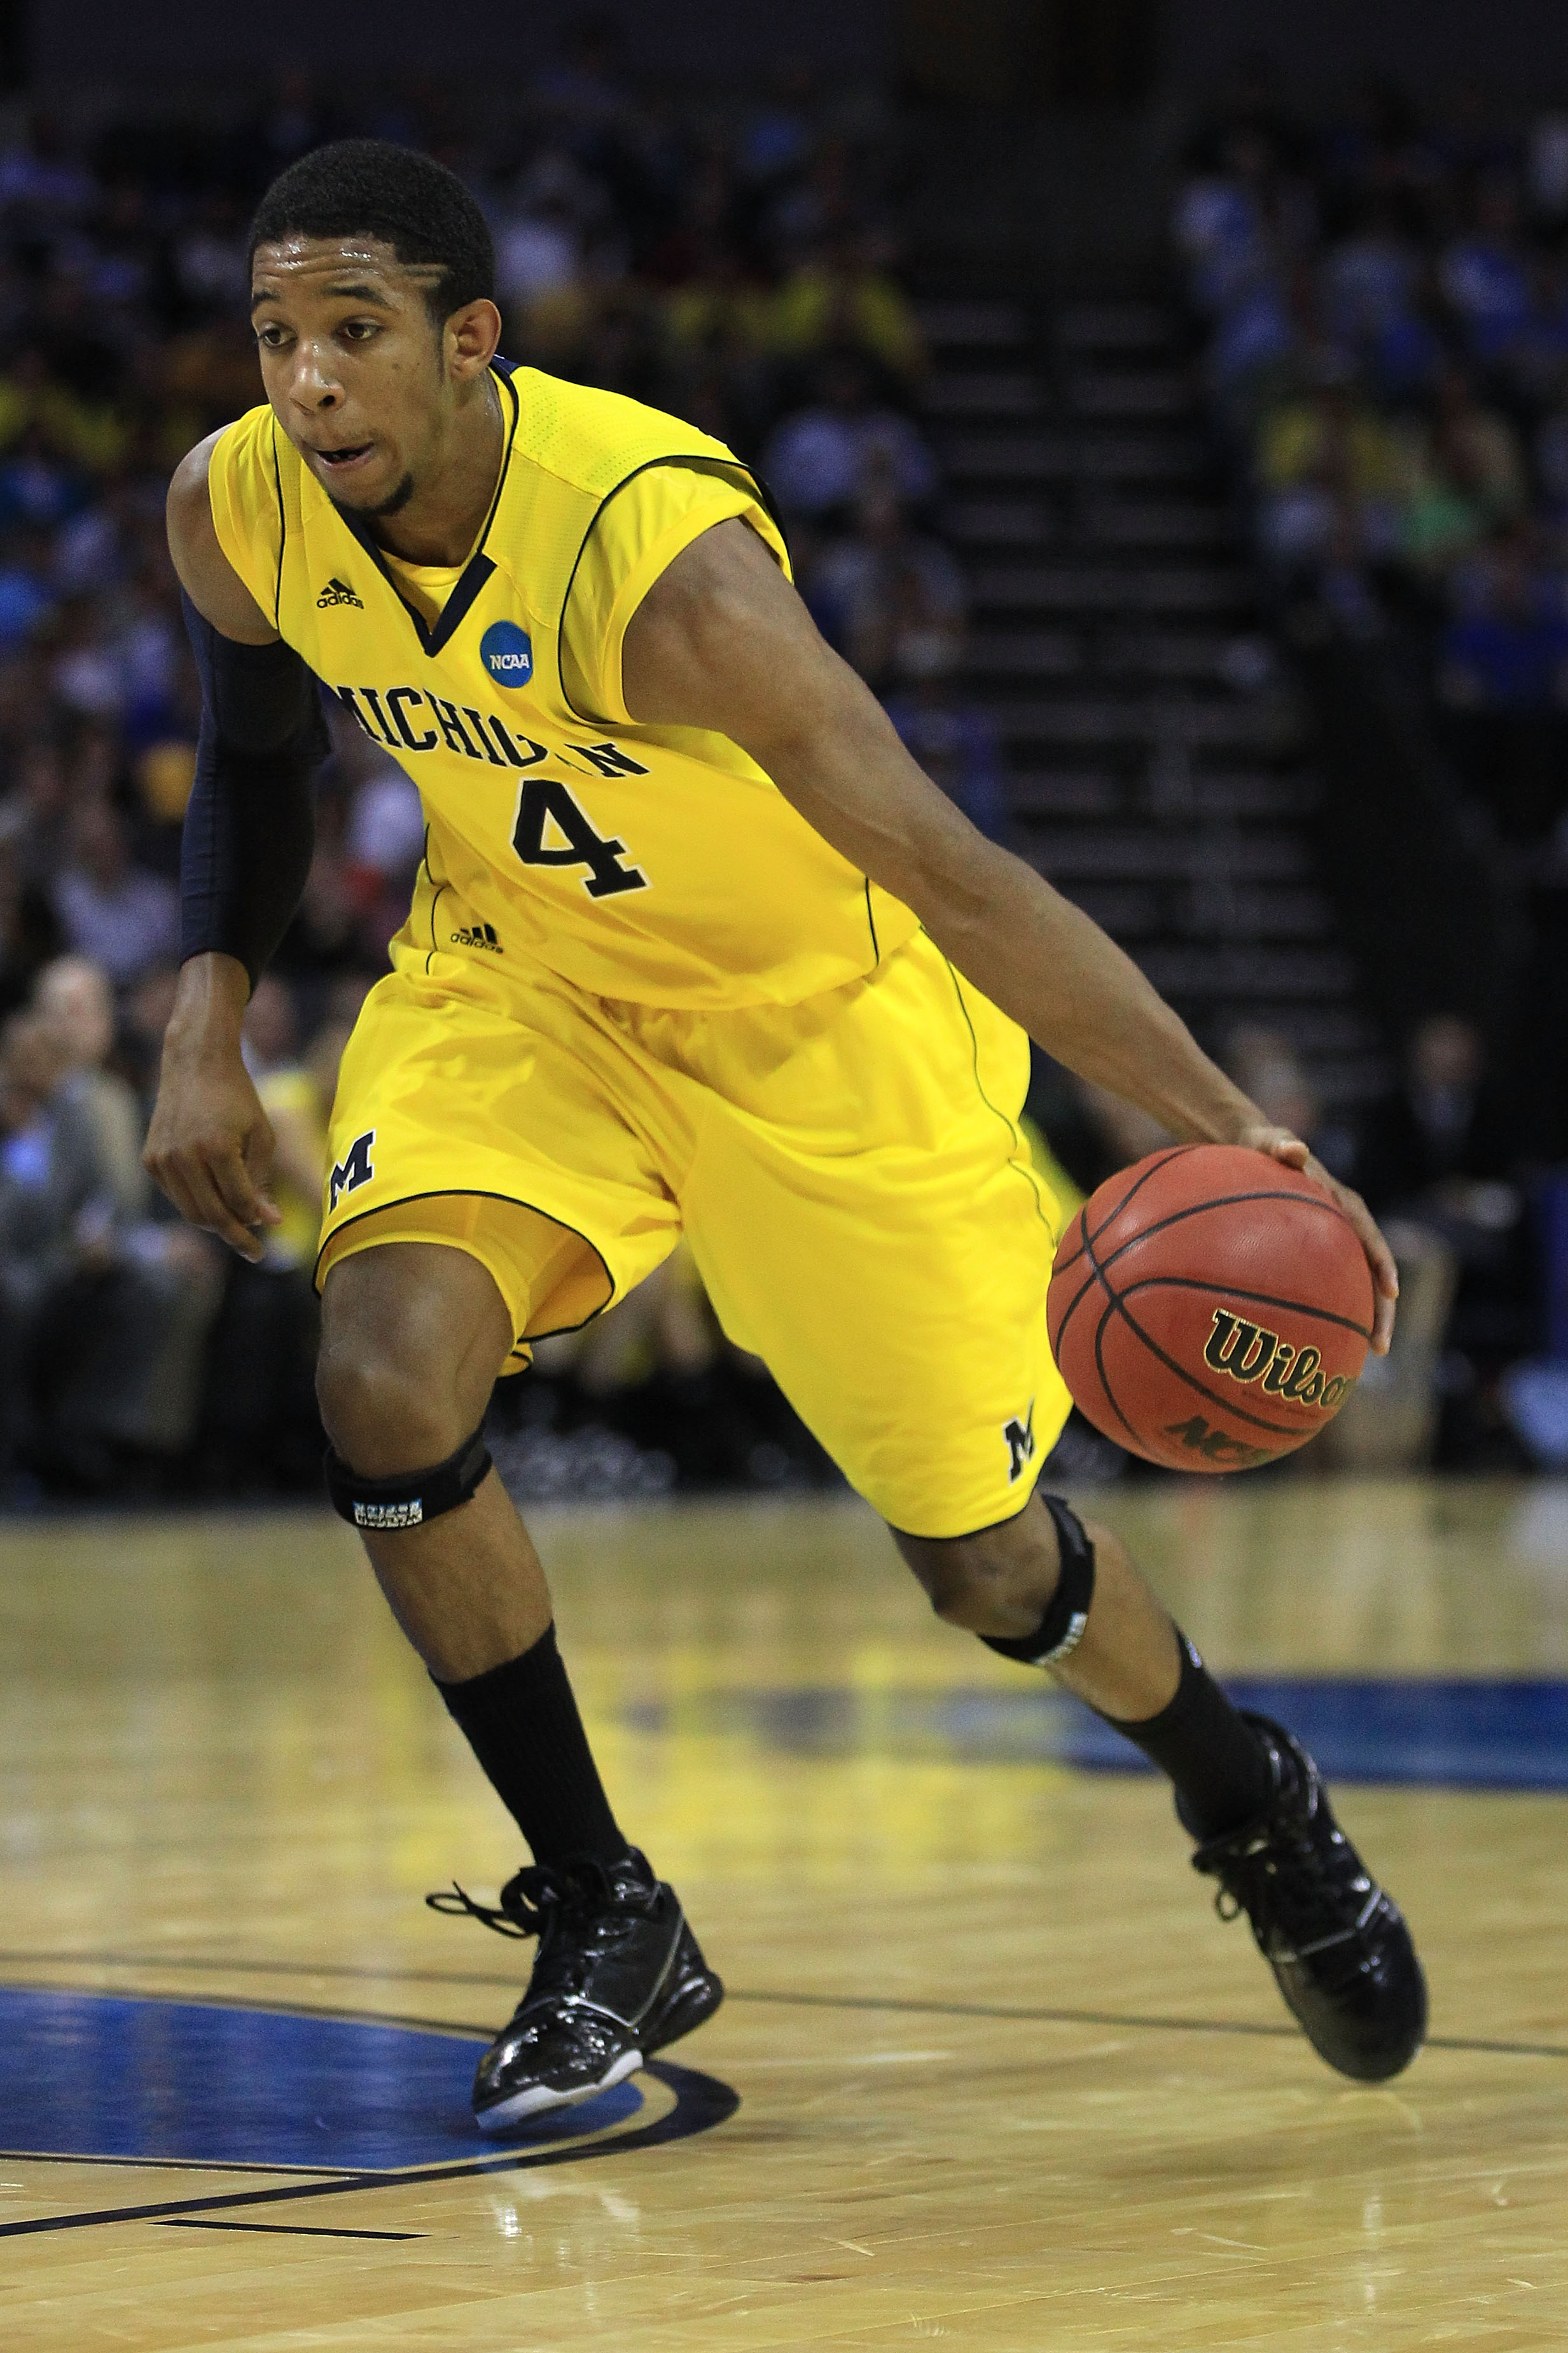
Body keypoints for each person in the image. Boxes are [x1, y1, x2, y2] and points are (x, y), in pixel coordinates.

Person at [146, 141, 1421, 2137]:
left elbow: (954, 870)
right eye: (276, 335)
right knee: (383, 1378)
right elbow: (247, 756)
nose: (305, 383)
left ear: (469, 345)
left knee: (987, 1567)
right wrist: (204, 1006)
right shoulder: (237, 507)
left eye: (355, 335)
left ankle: (1242, 1791)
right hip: (525, 992)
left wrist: (1232, 1126)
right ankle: (602, 1906)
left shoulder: (660, 567)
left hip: (818, 1036)